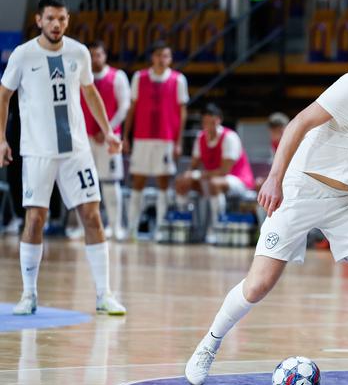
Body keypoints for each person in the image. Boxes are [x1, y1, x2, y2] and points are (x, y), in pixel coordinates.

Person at [185, 30, 348, 385]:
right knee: (258, 285)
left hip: (347, 198)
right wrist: (274, 178)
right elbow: (298, 124)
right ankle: (208, 345)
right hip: (301, 187)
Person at [0, 0, 126, 315]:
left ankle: (103, 294)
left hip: (76, 151)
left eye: (62, 19)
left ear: (67, 21)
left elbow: (90, 92)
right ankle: (28, 295)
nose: (57, 24)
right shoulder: (23, 55)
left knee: (92, 217)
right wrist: (1, 139)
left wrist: (108, 130)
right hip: (38, 151)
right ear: (39, 21)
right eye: (51, 19)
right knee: (35, 220)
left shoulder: (79, 52)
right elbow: (3, 97)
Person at [123, 40, 188, 240]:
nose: (162, 59)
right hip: (142, 137)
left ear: (170, 59)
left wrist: (178, 142)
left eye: (166, 56)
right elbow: (132, 108)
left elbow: (182, 112)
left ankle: (161, 228)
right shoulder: (139, 77)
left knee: (163, 183)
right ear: (153, 57)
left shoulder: (178, 80)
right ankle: (132, 228)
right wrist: (126, 136)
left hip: (166, 139)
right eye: (159, 55)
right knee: (138, 182)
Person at [175, 103, 255, 243]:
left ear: (218, 120)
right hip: (212, 179)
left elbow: (224, 171)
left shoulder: (230, 137)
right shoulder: (200, 138)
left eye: (211, 121)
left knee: (214, 184)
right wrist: (188, 176)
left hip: (239, 180)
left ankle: (216, 228)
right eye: (205, 121)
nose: (207, 125)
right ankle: (185, 227)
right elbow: (193, 166)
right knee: (181, 182)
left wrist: (198, 175)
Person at [80, 40, 130, 241]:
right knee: (84, 183)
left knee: (110, 182)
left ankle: (116, 226)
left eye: (98, 54)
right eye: (91, 55)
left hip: (109, 138)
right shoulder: (80, 77)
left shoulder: (117, 77)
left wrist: (106, 129)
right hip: (85, 137)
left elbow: (124, 107)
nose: (94, 59)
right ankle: (86, 227)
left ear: (105, 55)